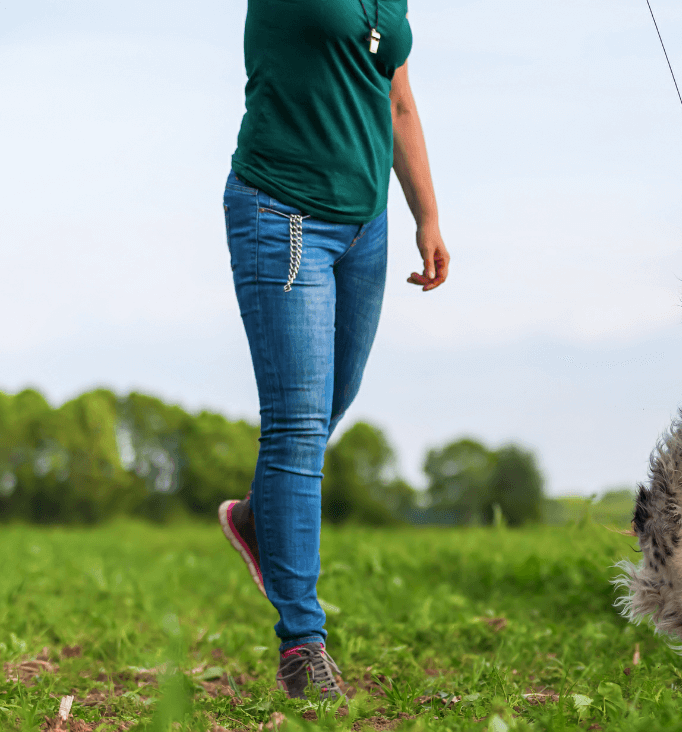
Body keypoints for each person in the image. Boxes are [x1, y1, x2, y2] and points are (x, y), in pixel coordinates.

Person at [216, 0, 448, 701]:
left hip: (363, 226)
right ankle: (303, 646)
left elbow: (398, 99)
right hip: (282, 211)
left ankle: (260, 515)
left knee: (329, 403)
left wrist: (427, 215)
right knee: (295, 422)